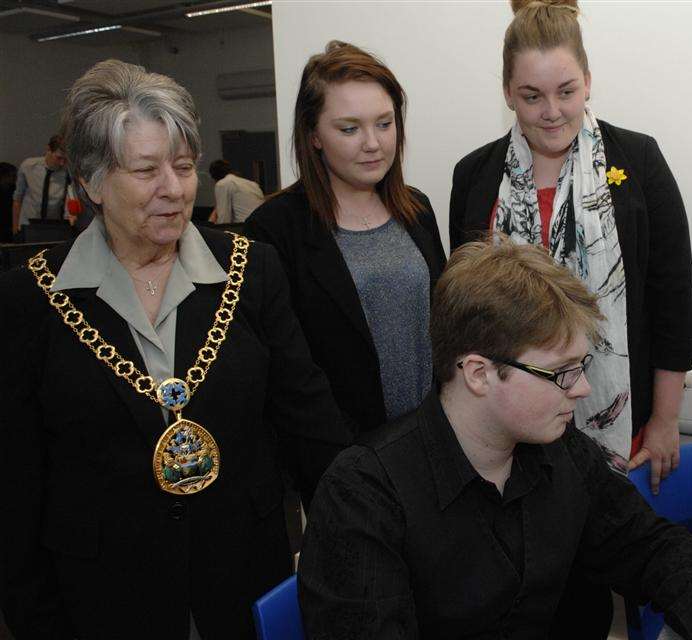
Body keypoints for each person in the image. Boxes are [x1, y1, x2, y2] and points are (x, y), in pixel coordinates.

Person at [0, 59, 351, 639]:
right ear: (91, 181)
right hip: (100, 601)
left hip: (244, 585)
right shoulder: (28, 299)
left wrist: (359, 540)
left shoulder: (251, 268)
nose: (175, 188)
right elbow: (15, 489)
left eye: (184, 167)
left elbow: (309, 422)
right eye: (146, 170)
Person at [298, 239, 692, 640]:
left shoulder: (561, 451)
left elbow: (651, 547)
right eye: (562, 372)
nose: (581, 388)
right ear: (479, 373)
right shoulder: (363, 494)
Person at [448, 2, 692, 633]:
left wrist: (665, 420)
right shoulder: (475, 176)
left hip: (612, 419)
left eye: (565, 91)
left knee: (595, 583)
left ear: (589, 81)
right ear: (508, 92)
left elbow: (673, 304)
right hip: (502, 433)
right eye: (532, 96)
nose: (552, 111)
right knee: (519, 589)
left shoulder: (637, 162)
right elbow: (464, 315)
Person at [245, 41, 446, 438]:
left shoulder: (417, 209)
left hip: (433, 440)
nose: (373, 143)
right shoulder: (274, 230)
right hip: (343, 456)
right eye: (349, 129)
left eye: (384, 124)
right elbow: (286, 375)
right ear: (314, 135)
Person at [12, 134, 71, 239]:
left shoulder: (67, 173)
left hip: (53, 227)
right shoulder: (28, 166)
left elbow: (70, 199)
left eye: (65, 159)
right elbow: (17, 199)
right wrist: (15, 228)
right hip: (27, 225)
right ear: (48, 149)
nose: (62, 163)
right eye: (59, 158)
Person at [207, 159, 264, 224]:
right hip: (260, 226)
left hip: (242, 227)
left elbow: (224, 217)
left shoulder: (223, 184)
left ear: (214, 175)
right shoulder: (252, 184)